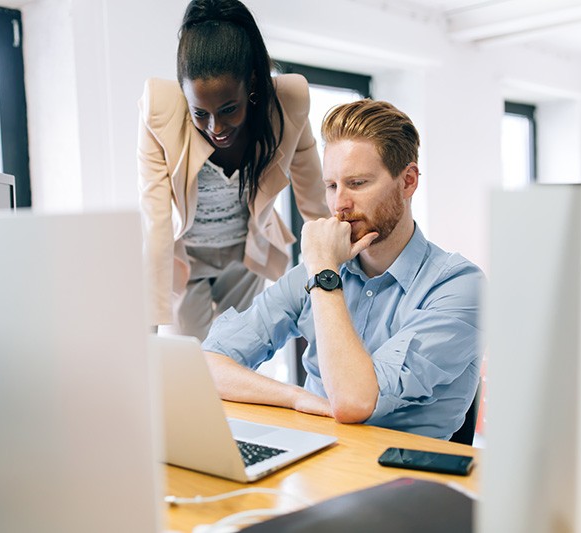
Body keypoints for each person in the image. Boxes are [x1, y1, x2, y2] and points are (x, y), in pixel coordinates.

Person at [202, 99, 484, 440]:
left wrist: (324, 275)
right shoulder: (322, 266)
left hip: (406, 480)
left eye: (358, 183)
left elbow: (354, 401)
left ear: (408, 181)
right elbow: (208, 364)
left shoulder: (458, 286)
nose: (339, 205)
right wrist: (296, 397)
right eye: (332, 186)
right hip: (319, 461)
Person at [137, 0, 329, 340]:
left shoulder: (288, 103)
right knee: (190, 361)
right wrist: (147, 330)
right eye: (201, 113)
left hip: (246, 253)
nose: (216, 126)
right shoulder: (158, 108)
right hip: (188, 257)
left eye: (229, 109)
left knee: (236, 358)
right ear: (184, 94)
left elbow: (315, 203)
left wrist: (333, 279)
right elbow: (155, 220)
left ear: (251, 84)